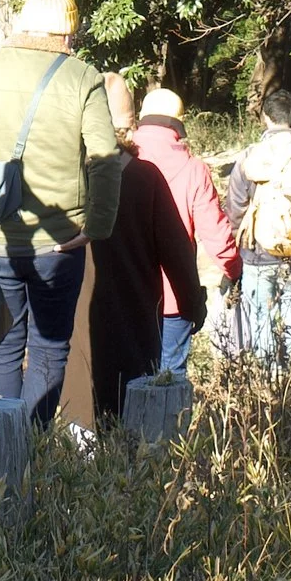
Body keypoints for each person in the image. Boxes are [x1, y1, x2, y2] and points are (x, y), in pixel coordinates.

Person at [0, 0, 121, 428]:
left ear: (22, 24)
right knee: (48, 346)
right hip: (58, 244)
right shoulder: (83, 78)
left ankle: (3, 444)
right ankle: (32, 446)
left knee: (3, 344)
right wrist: (97, 227)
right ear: (68, 33)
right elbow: (105, 160)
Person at [87, 129, 208, 421]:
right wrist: (193, 304)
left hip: (73, 324)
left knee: (78, 417)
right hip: (134, 318)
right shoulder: (143, 177)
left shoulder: (61, 177)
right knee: (133, 419)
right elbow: (176, 249)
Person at [126, 89, 240, 377]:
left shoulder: (118, 162)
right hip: (174, 295)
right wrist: (233, 268)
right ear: (178, 125)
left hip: (126, 288)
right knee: (168, 380)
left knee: (124, 378)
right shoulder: (192, 169)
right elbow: (214, 230)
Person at [225, 87, 291, 369]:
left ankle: (269, 380)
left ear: (265, 120)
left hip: (259, 253)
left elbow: (235, 209)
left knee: (261, 315)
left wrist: (241, 245)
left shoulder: (250, 158)